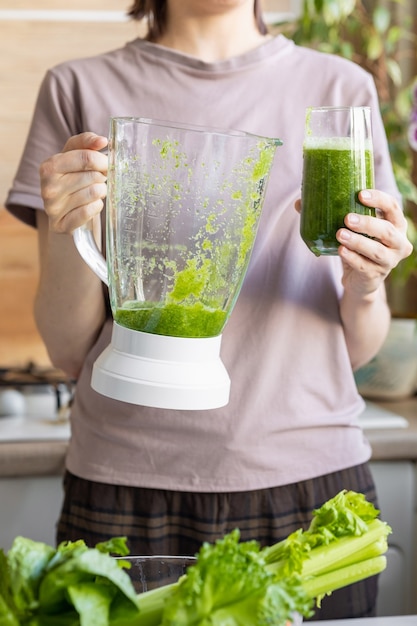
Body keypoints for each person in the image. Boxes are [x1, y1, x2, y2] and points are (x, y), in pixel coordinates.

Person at [5, 0, 412, 620]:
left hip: (310, 486)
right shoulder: (78, 86)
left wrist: (366, 280)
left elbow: (358, 346)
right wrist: (69, 228)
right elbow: (67, 348)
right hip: (126, 485)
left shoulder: (340, 89)